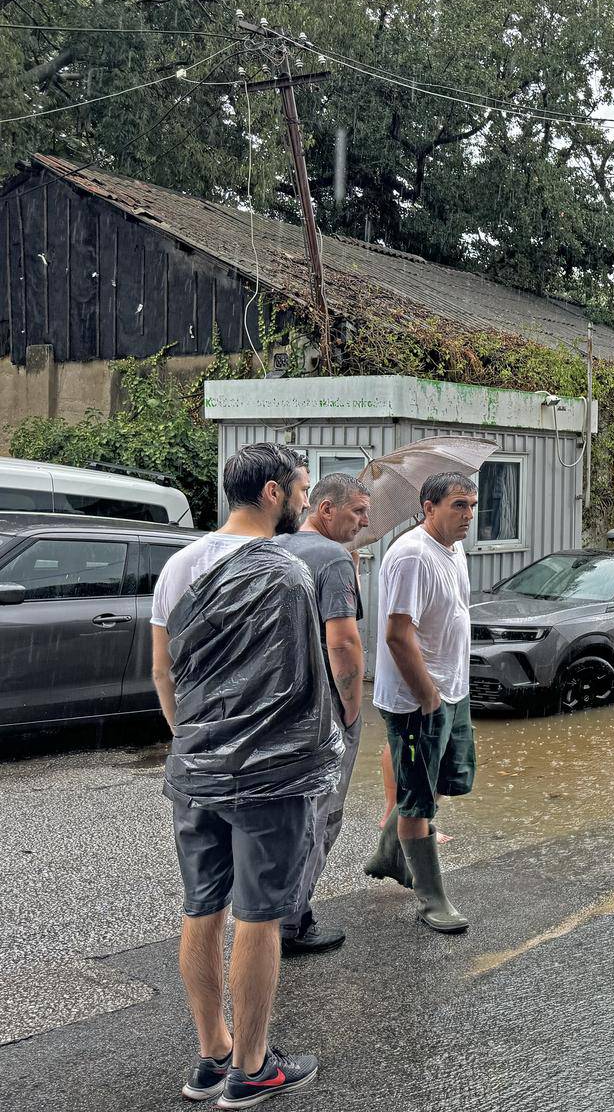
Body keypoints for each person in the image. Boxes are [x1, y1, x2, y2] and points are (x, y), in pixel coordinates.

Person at [151, 442, 339, 1107]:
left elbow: (164, 674)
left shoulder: (176, 566)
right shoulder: (287, 574)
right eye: (301, 490)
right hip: (268, 779)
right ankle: (253, 1068)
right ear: (271, 493)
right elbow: (299, 685)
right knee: (258, 916)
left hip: (194, 766)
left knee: (202, 908)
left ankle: (212, 1055)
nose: (306, 502)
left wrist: (195, 747)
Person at [365, 472, 478, 933]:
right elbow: (396, 635)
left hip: (453, 689)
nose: (468, 514)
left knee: (439, 783)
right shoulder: (412, 556)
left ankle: (390, 853)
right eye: (458, 505)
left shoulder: (454, 549)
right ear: (428, 507)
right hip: (418, 699)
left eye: (472, 504)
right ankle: (431, 898)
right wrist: (428, 695)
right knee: (417, 802)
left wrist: (449, 690)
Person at [276, 472, 372, 955]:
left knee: (287, 812)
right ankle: (293, 922)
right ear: (325, 508)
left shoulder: (278, 546)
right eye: (356, 512)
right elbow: (343, 641)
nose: (363, 521)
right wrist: (352, 711)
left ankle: (266, 911)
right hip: (322, 708)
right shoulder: (332, 558)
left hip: (277, 704)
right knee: (322, 814)